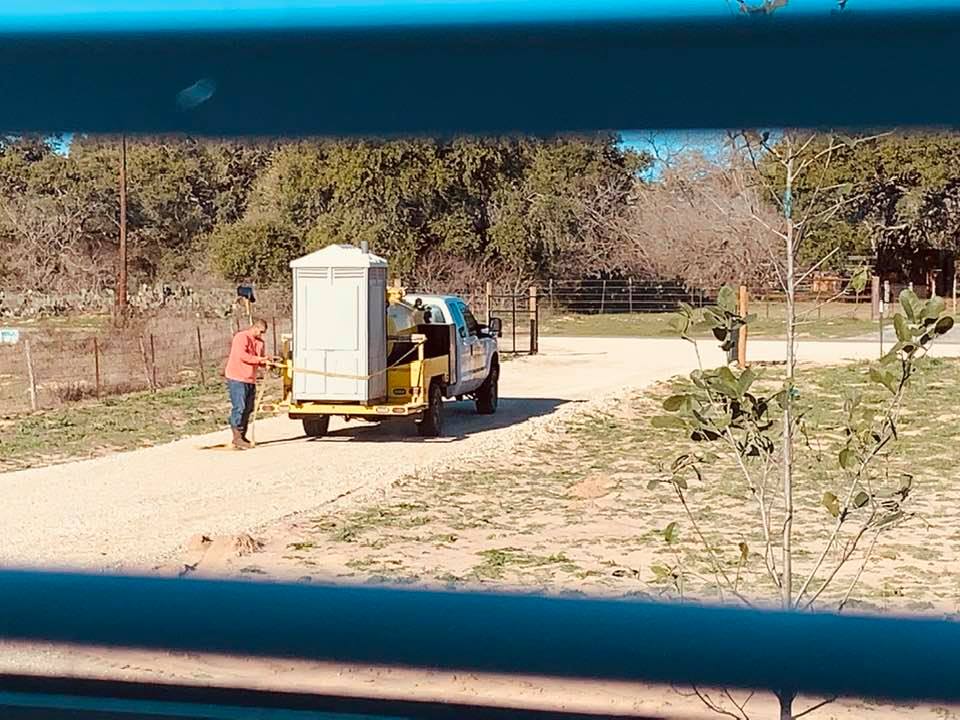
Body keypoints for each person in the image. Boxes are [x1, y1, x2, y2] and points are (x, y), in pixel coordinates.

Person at [224, 318, 270, 449]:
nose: (261, 335)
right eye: (260, 332)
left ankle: (243, 435)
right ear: (254, 328)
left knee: (248, 408)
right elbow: (243, 356)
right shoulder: (241, 337)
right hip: (237, 377)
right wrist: (259, 359)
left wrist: (266, 361)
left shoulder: (260, 343)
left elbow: (257, 359)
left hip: (250, 378)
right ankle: (236, 436)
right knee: (239, 406)